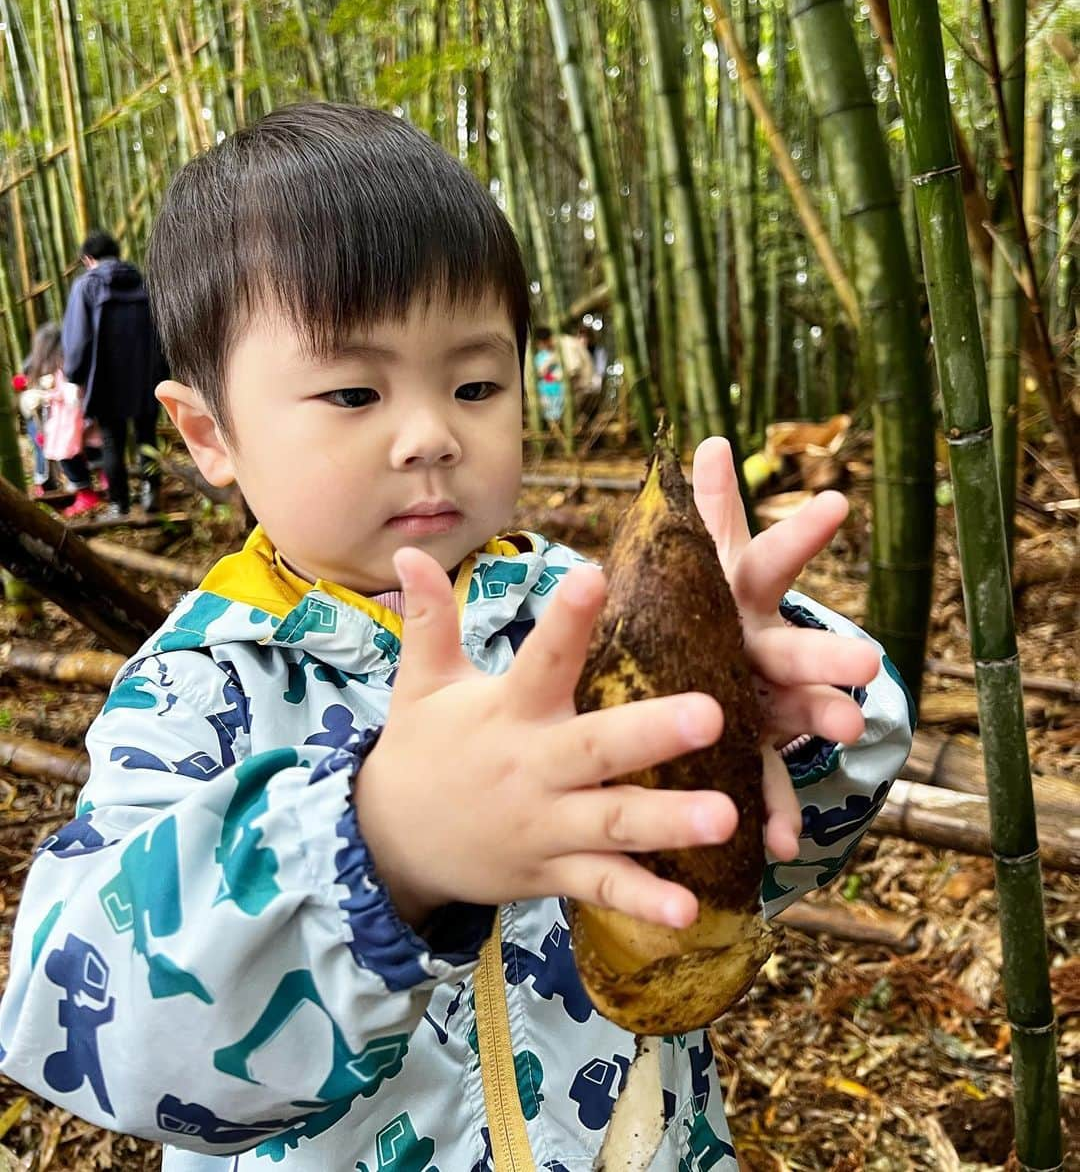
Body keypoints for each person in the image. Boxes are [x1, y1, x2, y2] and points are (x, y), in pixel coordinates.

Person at [0, 103, 914, 1171]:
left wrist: (749, 709)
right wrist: (377, 843)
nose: (433, 433)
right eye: (353, 390)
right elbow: (82, 1025)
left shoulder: (577, 621)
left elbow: (753, 883)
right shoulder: (201, 692)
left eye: (476, 384)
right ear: (209, 432)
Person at [62, 230, 166, 515]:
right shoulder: (145, 283)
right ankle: (151, 495)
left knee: (112, 441)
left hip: (106, 381)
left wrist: (73, 376)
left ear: (87, 259)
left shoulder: (86, 287)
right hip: (147, 376)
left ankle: (119, 504)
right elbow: (163, 332)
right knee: (147, 436)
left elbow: (78, 338)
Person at [15, 321, 103, 516]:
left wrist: (46, 395)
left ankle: (87, 493)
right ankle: (96, 484)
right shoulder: (69, 358)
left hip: (67, 420)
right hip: (76, 416)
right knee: (88, 447)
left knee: (68, 454)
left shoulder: (64, 363)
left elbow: (64, 391)